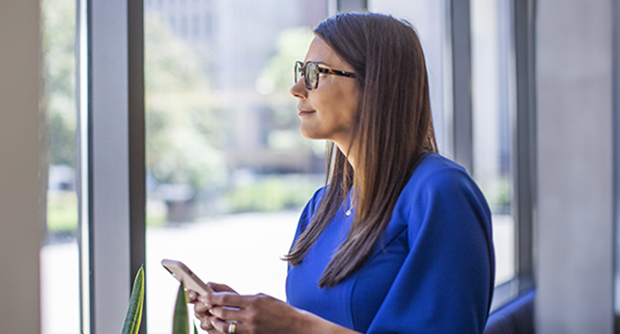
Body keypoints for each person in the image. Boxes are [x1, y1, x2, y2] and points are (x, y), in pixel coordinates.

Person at [189, 12, 495, 334]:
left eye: (314, 73)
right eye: (300, 71)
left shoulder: (440, 192)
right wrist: (249, 321)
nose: (296, 89)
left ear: (375, 84)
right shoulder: (322, 207)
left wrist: (296, 326)